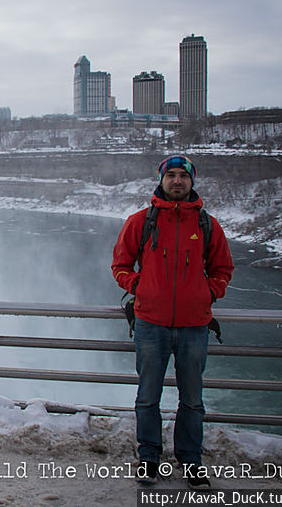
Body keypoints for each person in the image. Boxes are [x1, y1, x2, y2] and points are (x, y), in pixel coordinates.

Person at [111, 155, 234, 488]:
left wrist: (207, 293)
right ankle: (149, 458)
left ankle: (191, 461)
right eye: (171, 175)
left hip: (195, 326)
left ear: (192, 181)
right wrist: (139, 287)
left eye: (183, 176)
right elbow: (120, 265)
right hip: (151, 324)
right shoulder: (140, 222)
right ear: (161, 180)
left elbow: (223, 269)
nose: (177, 181)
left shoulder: (208, 225)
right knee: (148, 397)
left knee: (192, 399)